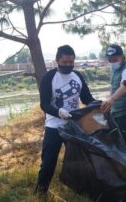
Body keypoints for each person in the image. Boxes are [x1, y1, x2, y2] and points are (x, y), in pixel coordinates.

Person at [35, 45, 96, 195]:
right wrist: (58, 112)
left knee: (78, 160)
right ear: (57, 61)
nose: (68, 65)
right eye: (65, 62)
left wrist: (97, 105)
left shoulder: (78, 76)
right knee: (48, 162)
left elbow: (87, 98)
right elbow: (44, 104)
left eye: (71, 62)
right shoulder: (49, 78)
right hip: (54, 126)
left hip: (73, 126)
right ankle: (40, 193)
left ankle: (80, 191)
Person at [101, 44, 126, 162]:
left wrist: (112, 100)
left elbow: (125, 86)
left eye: (115, 59)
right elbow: (114, 87)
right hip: (116, 112)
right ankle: (120, 170)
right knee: (117, 143)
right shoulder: (114, 69)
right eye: (110, 60)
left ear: (122, 57)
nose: (112, 62)